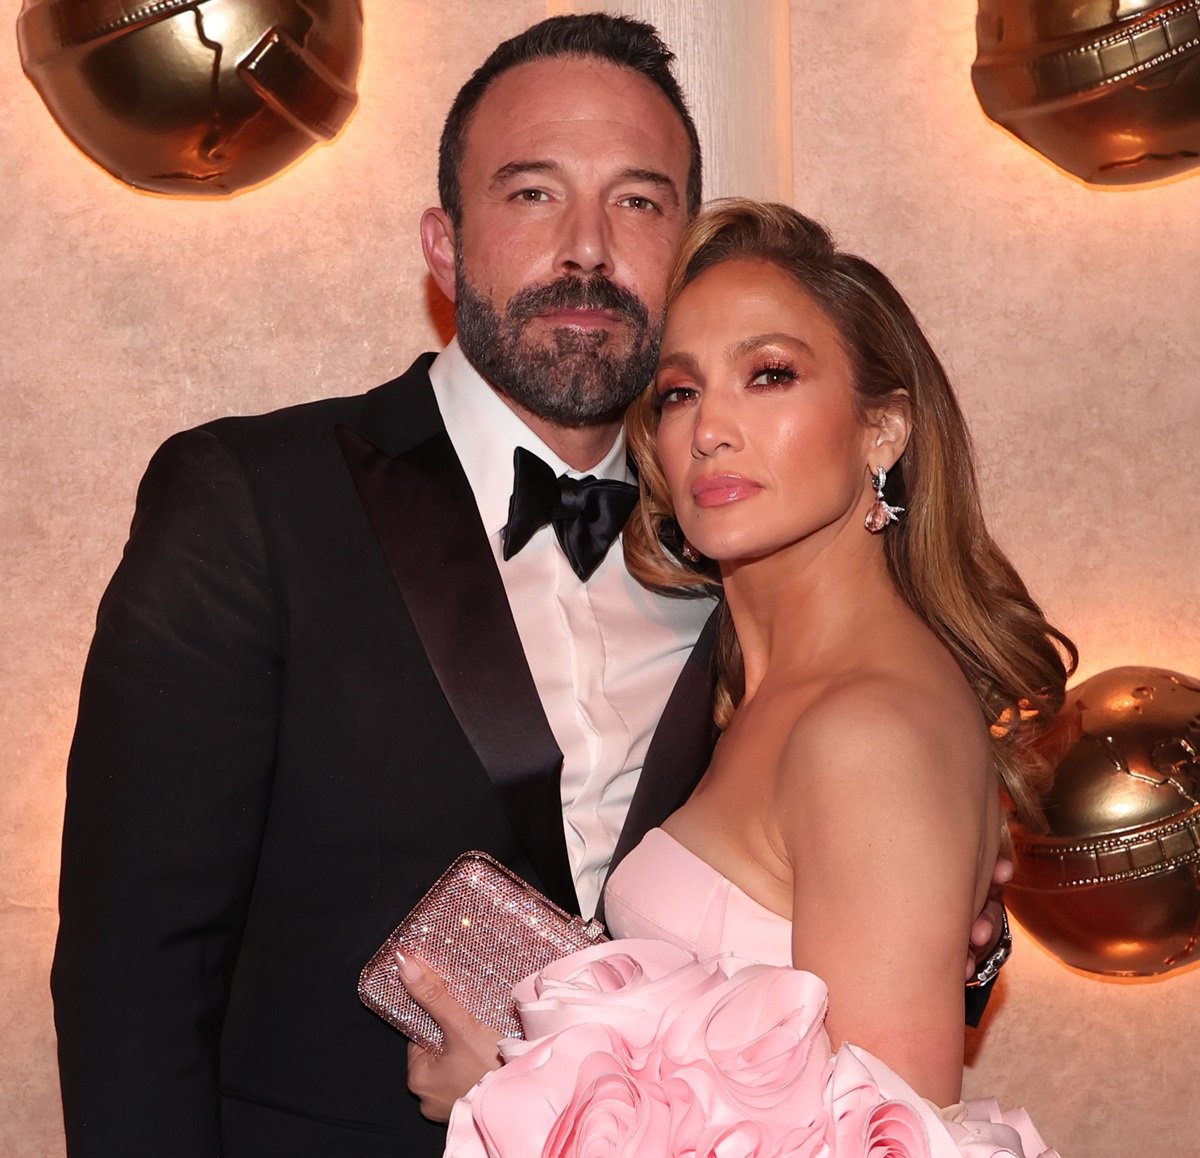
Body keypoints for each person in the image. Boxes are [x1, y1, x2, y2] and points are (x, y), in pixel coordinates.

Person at [50, 15, 1006, 1158]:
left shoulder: (746, 554)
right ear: (444, 249)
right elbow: (134, 969)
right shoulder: (253, 500)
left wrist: (949, 918)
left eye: (640, 202)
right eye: (533, 194)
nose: (590, 248)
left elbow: (836, 1028)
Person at [441, 200, 1075, 1156]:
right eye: (679, 393)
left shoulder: (867, 730)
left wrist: (520, 1094)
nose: (710, 430)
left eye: (769, 375)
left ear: (884, 432)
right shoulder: (752, 684)